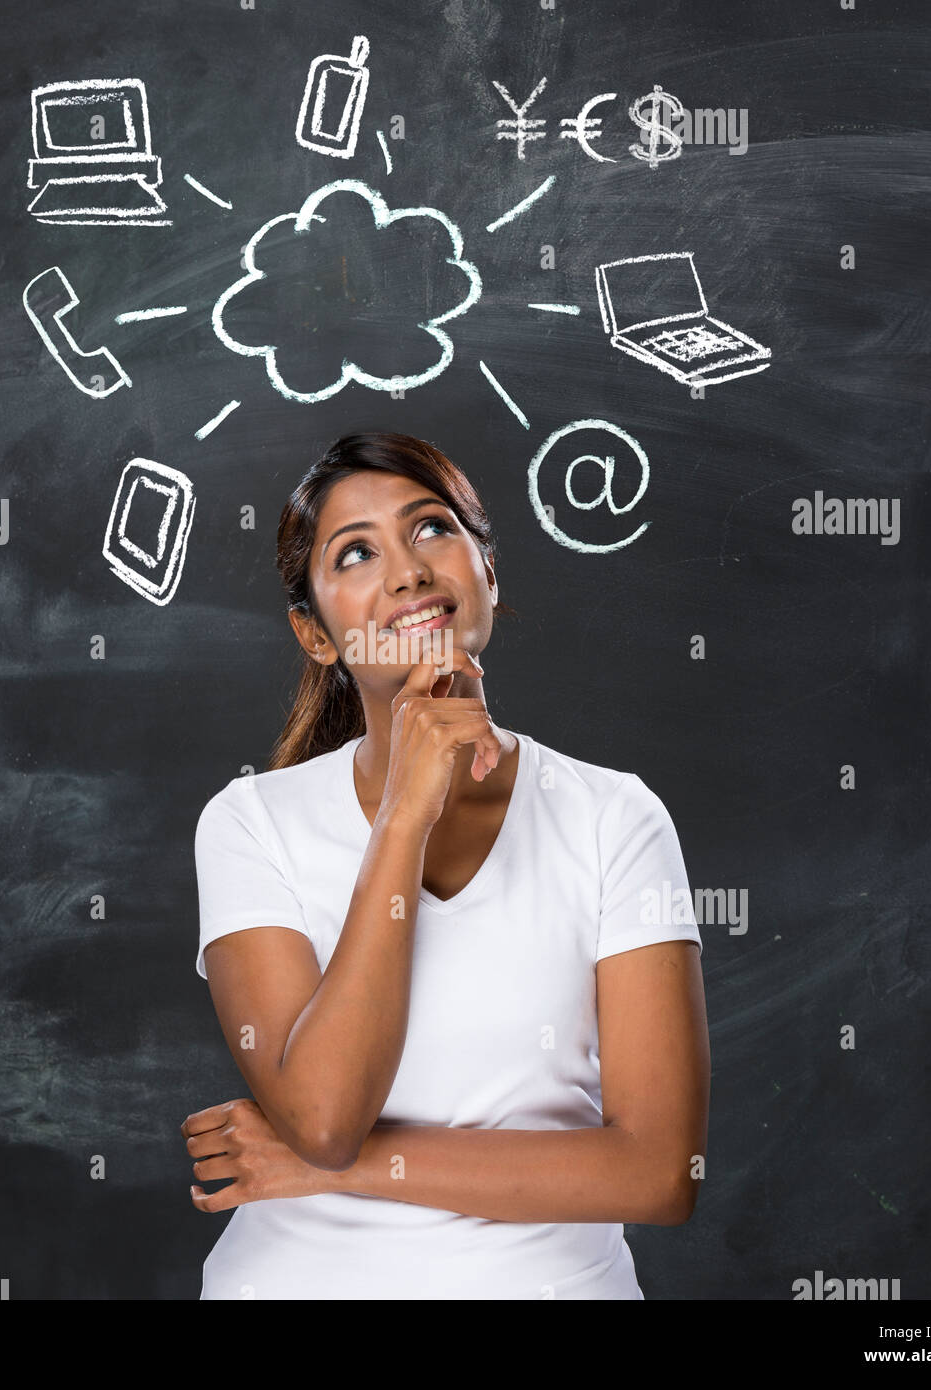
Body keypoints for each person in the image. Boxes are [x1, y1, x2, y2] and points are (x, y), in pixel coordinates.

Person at [187, 431, 710, 1299]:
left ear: (488, 575)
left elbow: (659, 1174)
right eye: (356, 553)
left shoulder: (616, 818)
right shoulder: (251, 823)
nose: (408, 572)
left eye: (432, 529)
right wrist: (403, 818)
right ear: (315, 634)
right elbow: (322, 1116)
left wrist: (335, 1171)